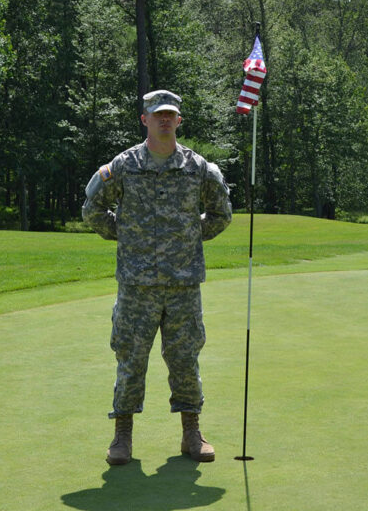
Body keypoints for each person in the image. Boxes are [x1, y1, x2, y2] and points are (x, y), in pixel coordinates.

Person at [82, 89, 232, 466]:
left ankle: (191, 433)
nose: (164, 120)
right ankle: (122, 437)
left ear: (179, 121)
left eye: (170, 115)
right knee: (130, 359)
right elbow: (92, 208)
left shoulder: (198, 168)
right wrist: (124, 233)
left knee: (184, 359)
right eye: (157, 114)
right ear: (144, 119)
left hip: (183, 285)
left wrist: (192, 235)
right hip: (137, 285)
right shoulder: (124, 166)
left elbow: (221, 213)